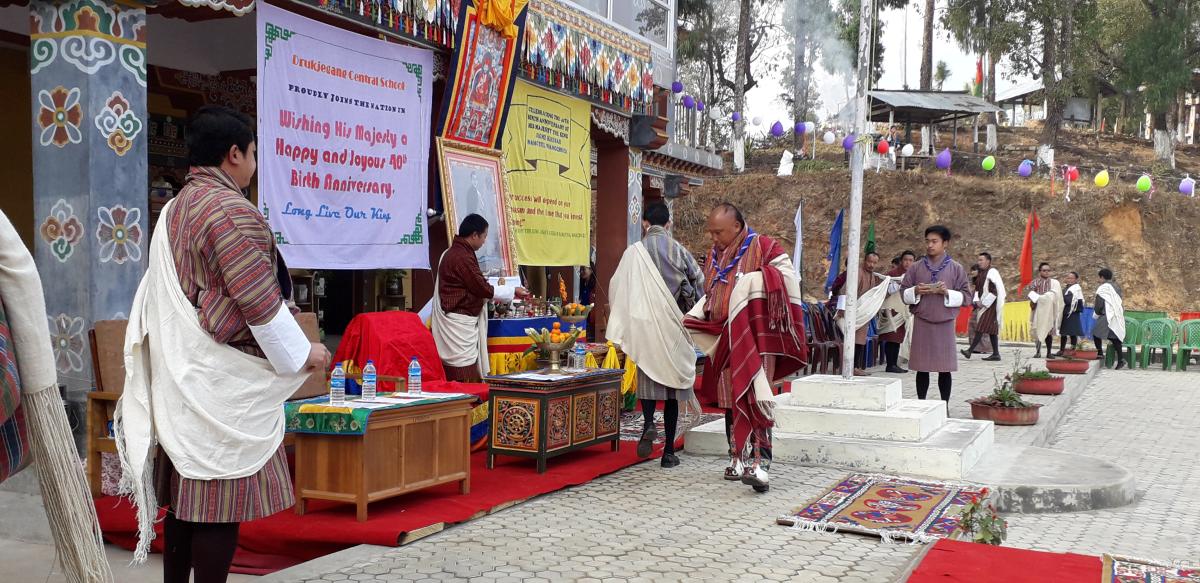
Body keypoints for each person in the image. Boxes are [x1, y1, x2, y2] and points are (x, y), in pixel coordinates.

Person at [119, 105, 333, 582]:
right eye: (253, 153)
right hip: (220, 378)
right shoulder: (229, 210)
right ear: (233, 154)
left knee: (186, 500)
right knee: (218, 501)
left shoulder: (176, 207)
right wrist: (305, 354)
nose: (255, 164)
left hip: (182, 372)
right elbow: (258, 303)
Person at [684, 203, 807, 493]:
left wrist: (752, 282)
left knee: (756, 395)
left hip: (757, 337)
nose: (713, 238)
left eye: (719, 232)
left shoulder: (765, 246)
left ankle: (761, 464)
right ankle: (736, 455)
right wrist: (697, 314)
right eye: (711, 232)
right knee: (730, 397)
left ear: (737, 227)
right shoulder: (715, 255)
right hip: (726, 335)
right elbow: (713, 292)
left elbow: (789, 279)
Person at [608, 203, 704, 468]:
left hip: (643, 328)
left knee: (648, 379)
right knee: (673, 390)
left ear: (645, 223)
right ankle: (669, 452)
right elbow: (698, 284)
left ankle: (648, 422)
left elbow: (617, 287)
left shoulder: (633, 253)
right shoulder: (679, 251)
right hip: (672, 324)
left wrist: (627, 320)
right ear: (669, 223)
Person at [433, 214, 529, 382]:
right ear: (474, 235)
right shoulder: (461, 257)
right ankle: (464, 407)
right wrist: (513, 290)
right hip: (458, 324)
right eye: (484, 236)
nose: (484, 241)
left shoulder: (455, 252)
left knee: (458, 373)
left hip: (459, 323)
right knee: (463, 375)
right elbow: (481, 288)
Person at [902, 225, 970, 407]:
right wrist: (915, 290)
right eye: (927, 241)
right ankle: (921, 404)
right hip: (922, 321)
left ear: (945, 243)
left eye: (935, 241)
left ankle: (944, 406)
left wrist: (947, 293)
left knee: (944, 369)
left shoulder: (956, 268)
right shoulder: (916, 267)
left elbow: (967, 296)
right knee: (921, 368)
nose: (930, 245)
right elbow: (903, 293)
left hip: (945, 323)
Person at [830, 251, 885, 376]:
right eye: (869, 261)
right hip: (850, 311)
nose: (871, 265)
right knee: (851, 339)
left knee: (860, 340)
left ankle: (856, 367)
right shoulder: (858, 273)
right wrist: (842, 309)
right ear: (864, 261)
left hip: (861, 312)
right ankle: (850, 367)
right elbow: (845, 290)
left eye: (874, 263)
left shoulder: (872, 276)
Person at [880, 251, 916, 373]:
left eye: (911, 260)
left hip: (905, 311)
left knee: (898, 338)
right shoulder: (892, 274)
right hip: (892, 310)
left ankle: (894, 363)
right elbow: (883, 292)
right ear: (901, 261)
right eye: (906, 260)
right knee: (891, 337)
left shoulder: (913, 275)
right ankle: (890, 364)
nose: (908, 263)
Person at [962, 261, 1002, 361]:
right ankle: (996, 354)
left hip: (990, 307)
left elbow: (994, 292)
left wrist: (983, 303)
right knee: (992, 331)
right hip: (983, 306)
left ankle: (969, 351)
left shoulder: (991, 274)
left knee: (980, 327)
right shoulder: (981, 276)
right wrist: (977, 302)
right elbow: (978, 292)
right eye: (978, 260)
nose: (979, 262)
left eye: (981, 260)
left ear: (988, 261)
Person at [1025, 262, 1064, 359]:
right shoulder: (1035, 282)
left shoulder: (1054, 283)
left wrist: (1047, 298)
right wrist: (1037, 300)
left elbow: (1056, 295)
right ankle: (1038, 352)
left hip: (1049, 311)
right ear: (1040, 272)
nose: (1046, 272)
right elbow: (1030, 293)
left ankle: (1049, 352)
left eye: (1048, 270)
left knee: (1049, 331)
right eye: (1044, 270)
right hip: (1038, 310)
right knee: (1037, 330)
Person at [1093, 269, 1127, 369]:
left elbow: (1099, 304)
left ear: (1102, 277)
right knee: (1114, 338)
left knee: (1096, 333)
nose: (1098, 280)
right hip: (1117, 314)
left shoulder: (1103, 288)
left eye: (1099, 277)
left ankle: (1100, 353)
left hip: (1106, 315)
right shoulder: (1116, 287)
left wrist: (1097, 313)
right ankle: (1121, 359)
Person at [1057, 271, 1085, 355]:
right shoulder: (1065, 288)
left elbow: (1070, 300)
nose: (1069, 279)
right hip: (1065, 312)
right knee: (1063, 333)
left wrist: (1062, 298)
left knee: (1073, 333)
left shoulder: (1076, 289)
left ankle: (1072, 350)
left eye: (1071, 278)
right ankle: (1062, 350)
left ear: (1076, 279)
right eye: (1068, 278)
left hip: (1073, 313)